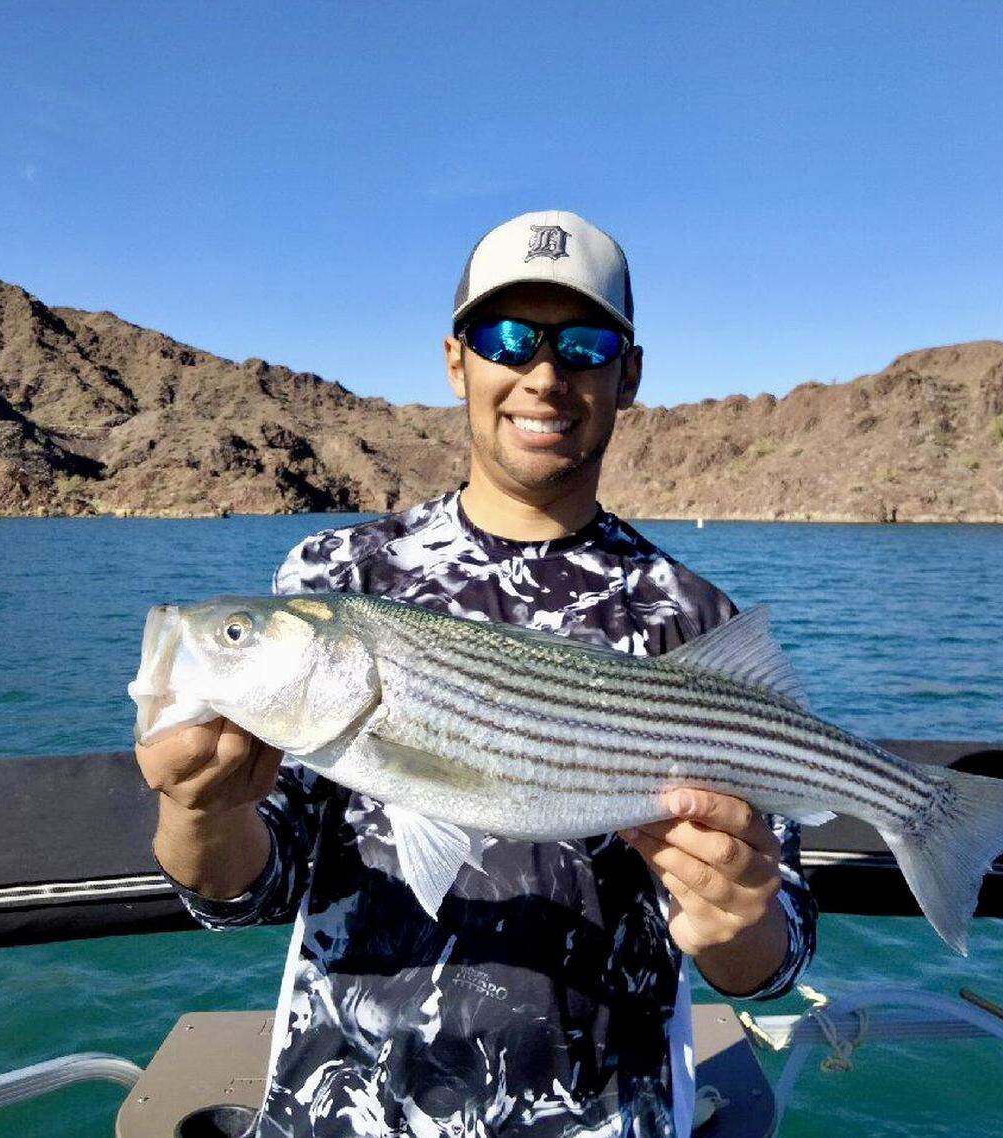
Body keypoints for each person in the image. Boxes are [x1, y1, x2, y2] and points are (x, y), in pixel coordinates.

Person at [136, 209, 818, 1137]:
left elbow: (773, 962)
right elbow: (243, 890)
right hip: (342, 1114)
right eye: (508, 338)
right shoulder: (335, 576)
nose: (544, 373)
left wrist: (739, 922)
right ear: (458, 360)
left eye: (583, 341)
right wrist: (199, 810)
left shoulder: (696, 618)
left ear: (630, 375)